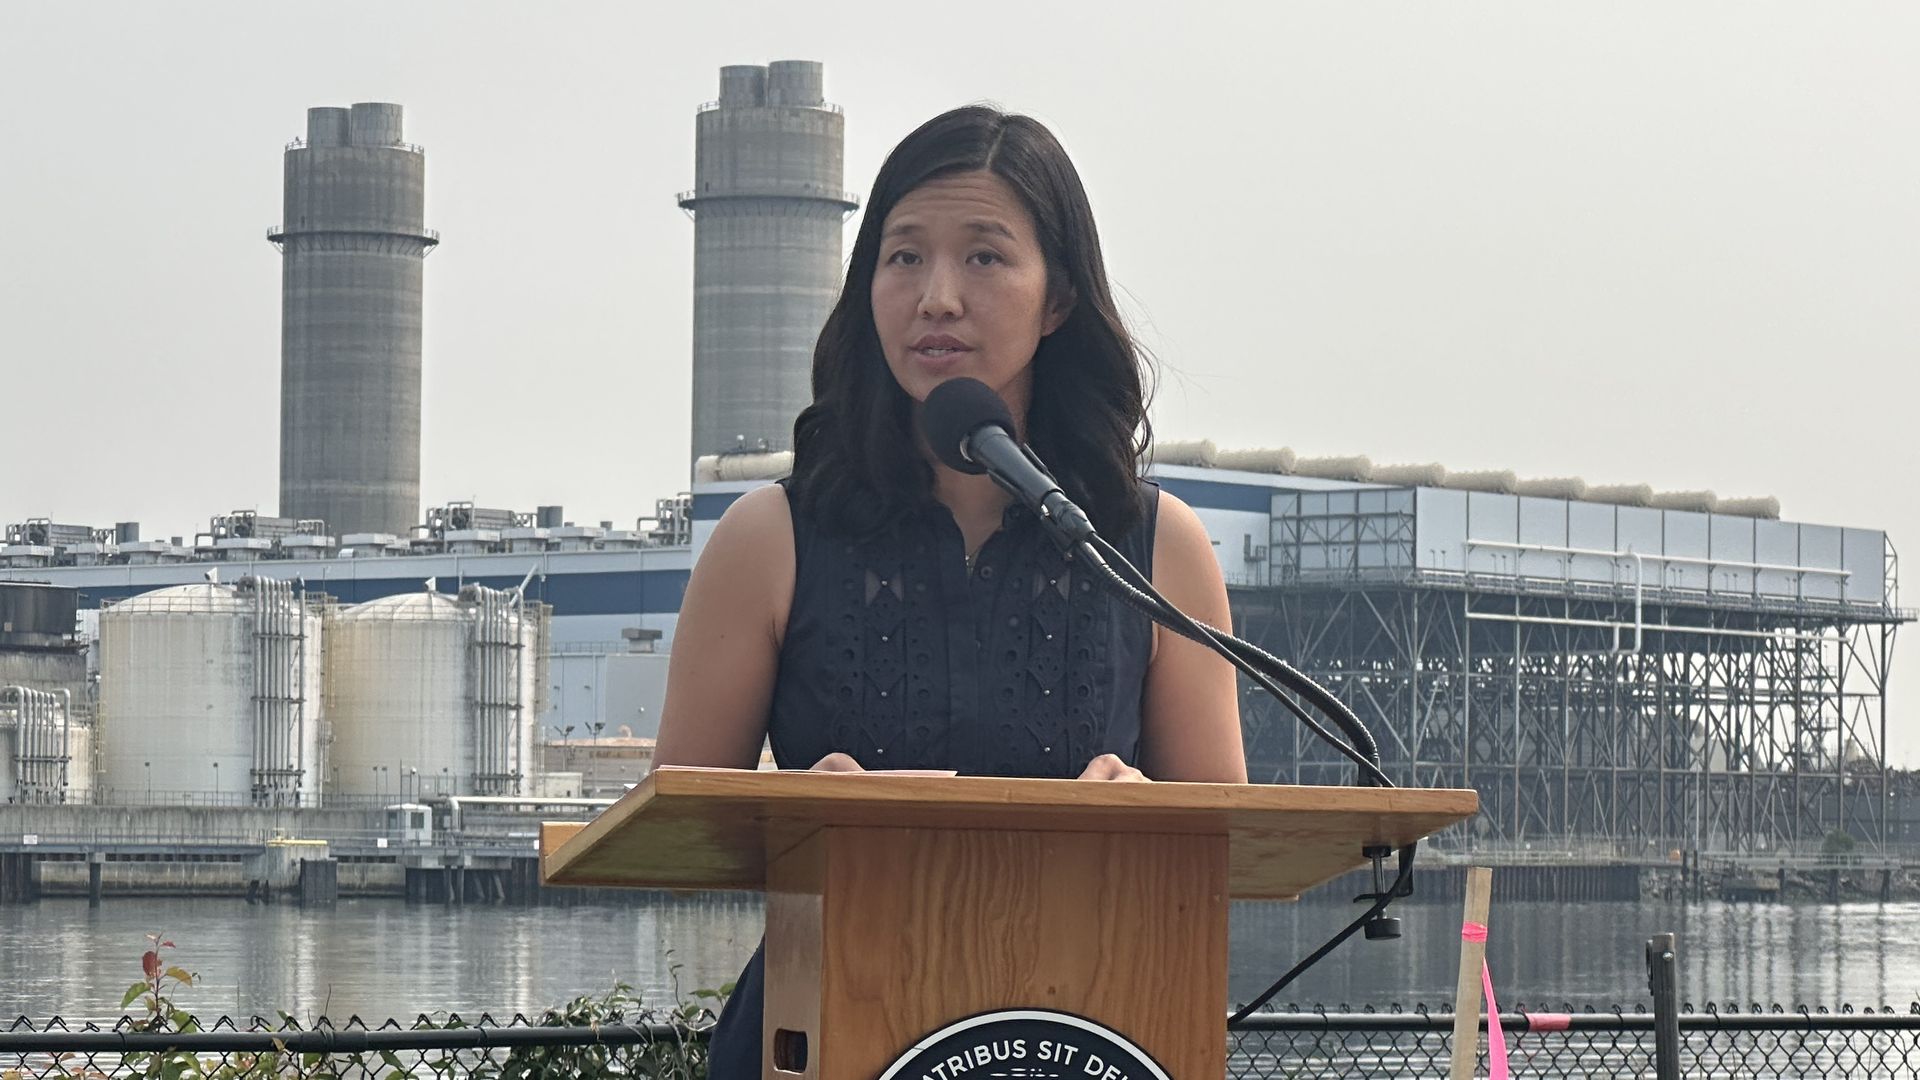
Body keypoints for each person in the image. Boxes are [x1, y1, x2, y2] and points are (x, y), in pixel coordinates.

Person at [651, 104, 1246, 1078]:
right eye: (903, 258)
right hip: (820, 1032)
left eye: (983, 258)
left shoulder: (1154, 545)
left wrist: (1143, 816)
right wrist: (799, 812)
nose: (936, 297)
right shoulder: (770, 537)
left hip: (1087, 1034)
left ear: (1059, 298)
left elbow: (1226, 840)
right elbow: (678, 831)